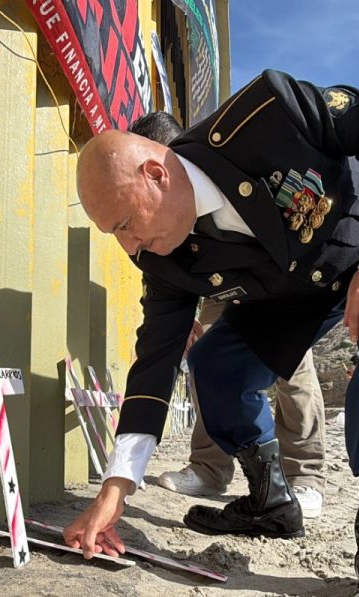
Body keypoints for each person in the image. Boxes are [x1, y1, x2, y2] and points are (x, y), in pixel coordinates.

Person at [64, 69, 359, 597]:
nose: (129, 245)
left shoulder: (270, 114)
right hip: (290, 294)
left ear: (156, 173)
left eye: (126, 224)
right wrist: (116, 488)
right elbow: (154, 361)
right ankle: (271, 502)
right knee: (213, 365)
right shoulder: (161, 258)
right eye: (113, 234)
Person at [129, 112, 326, 517]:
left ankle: (303, 474)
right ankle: (209, 467)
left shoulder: (236, 162)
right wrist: (178, 315)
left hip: (279, 278)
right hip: (220, 285)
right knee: (209, 363)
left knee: (292, 369)